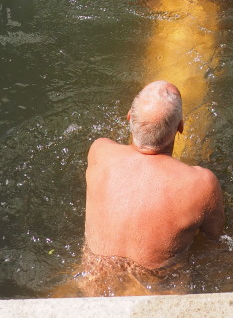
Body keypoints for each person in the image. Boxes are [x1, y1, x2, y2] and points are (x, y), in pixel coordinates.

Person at [80, 81, 225, 295]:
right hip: (159, 295)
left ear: (129, 117)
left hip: (93, 287)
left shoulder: (99, 151)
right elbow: (215, 238)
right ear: (180, 127)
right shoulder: (202, 183)